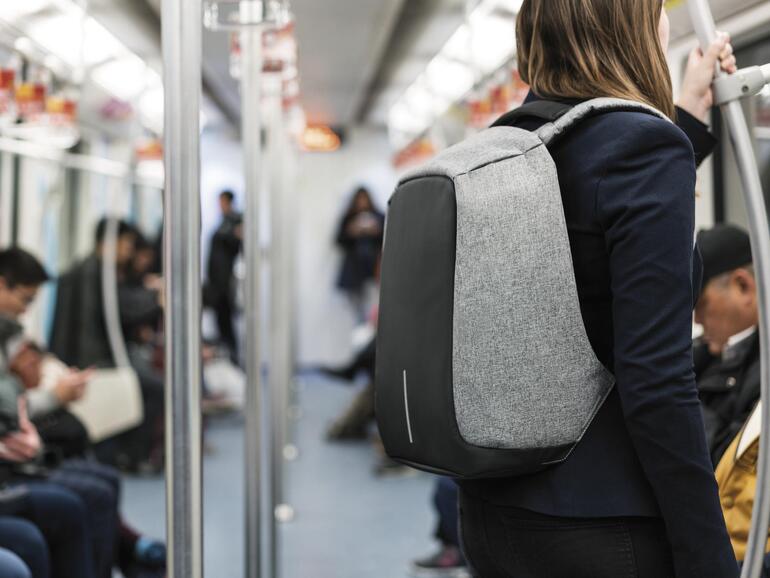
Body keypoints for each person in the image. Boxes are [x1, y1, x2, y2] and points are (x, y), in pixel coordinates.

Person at [457, 2, 740, 577]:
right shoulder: (645, 147)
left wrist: (685, 115)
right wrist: (709, 558)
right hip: (599, 528)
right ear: (632, 28)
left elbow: (589, 221)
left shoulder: (506, 146)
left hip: (493, 514)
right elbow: (657, 383)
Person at [694, 225, 760, 464]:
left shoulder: (762, 373)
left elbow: (730, 465)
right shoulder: (702, 356)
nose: (697, 319)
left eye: (702, 303)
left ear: (743, 286)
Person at [335, 187, 384, 315]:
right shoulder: (349, 218)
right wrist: (351, 232)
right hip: (354, 272)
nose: (362, 203)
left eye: (364, 199)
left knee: (374, 306)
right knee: (357, 310)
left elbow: (387, 241)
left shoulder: (379, 217)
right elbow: (339, 241)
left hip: (374, 269)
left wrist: (375, 231)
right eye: (359, 199)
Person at [206, 190, 243, 361]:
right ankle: (227, 356)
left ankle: (232, 358)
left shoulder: (236, 220)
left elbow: (237, 242)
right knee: (221, 322)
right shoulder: (224, 221)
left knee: (226, 321)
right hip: (216, 282)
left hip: (225, 281)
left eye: (221, 201)